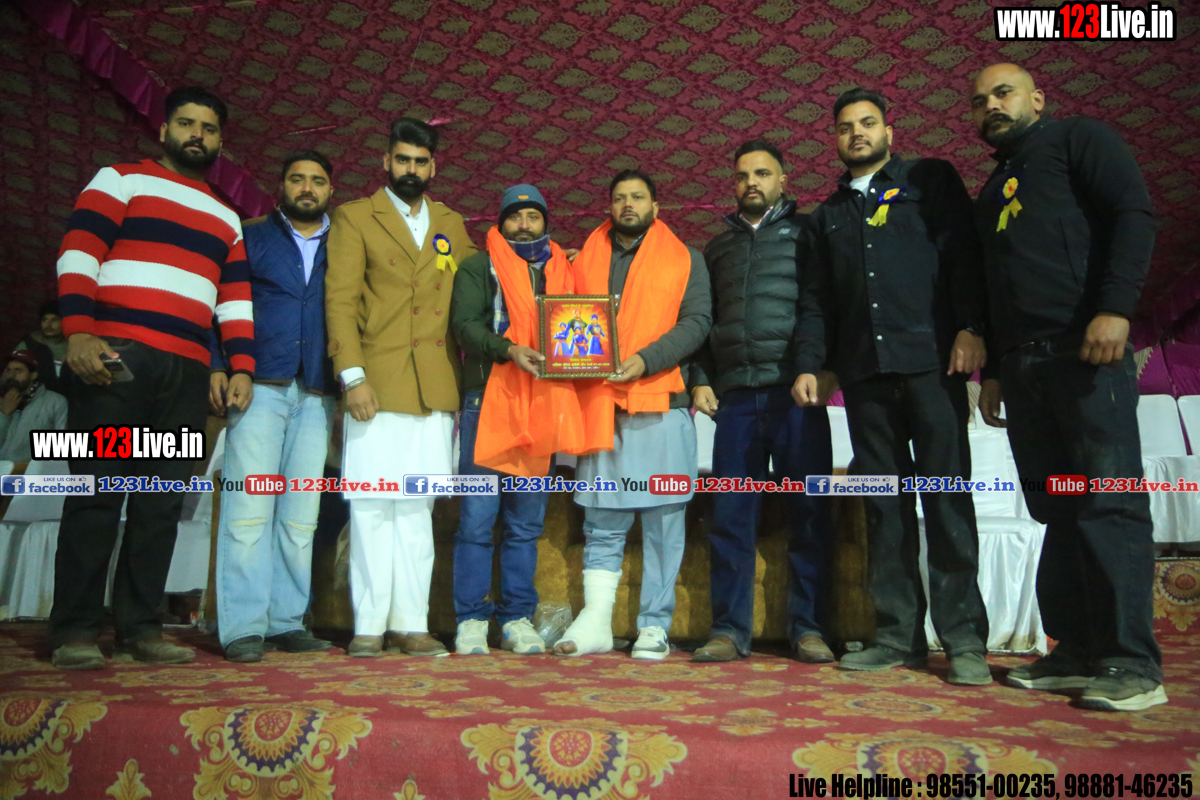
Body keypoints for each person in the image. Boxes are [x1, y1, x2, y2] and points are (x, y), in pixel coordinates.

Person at [970, 63, 1165, 711]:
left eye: (1003, 93)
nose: (992, 105)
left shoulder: (1079, 138)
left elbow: (1133, 214)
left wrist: (1115, 308)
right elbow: (995, 284)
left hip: (1086, 351)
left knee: (1109, 503)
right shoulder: (993, 188)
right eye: (980, 100)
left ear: (1037, 97)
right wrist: (995, 371)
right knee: (1056, 508)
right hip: (1024, 368)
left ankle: (1133, 663)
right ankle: (1077, 648)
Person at [50, 86, 254, 670]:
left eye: (208, 128)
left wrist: (241, 366)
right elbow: (78, 252)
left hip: (185, 374)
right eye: (186, 124)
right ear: (164, 130)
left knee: (160, 505)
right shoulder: (119, 179)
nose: (196, 135)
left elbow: (234, 300)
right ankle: (74, 631)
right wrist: (78, 333)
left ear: (220, 142)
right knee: (95, 496)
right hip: (114, 360)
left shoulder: (227, 217)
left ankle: (139, 629)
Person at [794, 88, 992, 685]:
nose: (857, 132)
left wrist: (972, 327)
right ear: (834, 139)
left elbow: (965, 257)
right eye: (846, 126)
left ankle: (964, 642)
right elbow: (817, 302)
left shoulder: (930, 181)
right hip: (864, 379)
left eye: (868, 122)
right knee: (884, 507)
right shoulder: (826, 217)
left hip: (932, 368)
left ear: (888, 131)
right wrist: (814, 364)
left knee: (946, 500)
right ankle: (896, 637)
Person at [325, 117, 477, 657]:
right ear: (386, 162)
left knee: (416, 510)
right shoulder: (355, 217)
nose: (411, 169)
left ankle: (411, 623)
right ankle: (369, 624)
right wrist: (352, 377)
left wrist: (546, 264)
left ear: (433, 167)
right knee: (370, 507)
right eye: (402, 159)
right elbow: (340, 301)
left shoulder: (451, 223)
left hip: (434, 385)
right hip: (376, 381)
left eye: (421, 161)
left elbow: (481, 283)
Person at [553, 169, 712, 660]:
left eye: (638, 197)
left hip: (661, 404)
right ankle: (597, 620)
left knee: (664, 525)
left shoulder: (687, 259)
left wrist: (647, 360)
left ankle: (654, 626)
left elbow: (697, 323)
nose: (628, 205)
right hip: (602, 406)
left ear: (655, 206)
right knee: (602, 521)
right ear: (609, 205)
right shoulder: (583, 259)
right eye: (619, 197)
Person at [689, 139, 835, 665]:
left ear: (783, 180)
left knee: (810, 512)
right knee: (730, 517)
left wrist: (822, 369)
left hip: (797, 395)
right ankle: (728, 631)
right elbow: (703, 319)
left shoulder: (810, 233)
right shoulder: (717, 248)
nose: (752, 182)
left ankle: (810, 629)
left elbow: (826, 306)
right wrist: (700, 378)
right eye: (742, 175)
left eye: (763, 173)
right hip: (735, 402)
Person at [209, 151, 338, 663]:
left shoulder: (344, 243)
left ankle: (286, 621)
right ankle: (242, 627)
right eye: (297, 179)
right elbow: (218, 303)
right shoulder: (250, 235)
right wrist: (219, 365)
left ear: (330, 190)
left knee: (301, 516)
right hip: (257, 382)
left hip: (317, 390)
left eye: (318, 181)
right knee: (248, 509)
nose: (307, 188)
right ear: (281, 185)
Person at [449, 184, 583, 655]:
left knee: (525, 523)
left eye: (533, 217)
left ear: (546, 223)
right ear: (500, 222)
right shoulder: (477, 266)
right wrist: (508, 350)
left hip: (542, 401)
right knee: (477, 520)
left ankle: (516, 618)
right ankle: (470, 619)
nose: (524, 226)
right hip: (487, 399)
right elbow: (465, 325)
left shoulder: (562, 270)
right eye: (515, 217)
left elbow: (581, 326)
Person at [0, 350, 68, 464]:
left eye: (18, 371)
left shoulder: (55, 402)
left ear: (33, 375)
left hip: (33, 471)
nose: (11, 375)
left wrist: (28, 467)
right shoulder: (2, 402)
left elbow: (62, 447)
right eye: (8, 370)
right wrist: (4, 414)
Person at [17, 300, 69, 395]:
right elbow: (12, 374)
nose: (48, 325)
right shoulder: (29, 345)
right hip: (34, 398)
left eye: (54, 320)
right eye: (45, 320)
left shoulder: (73, 346)